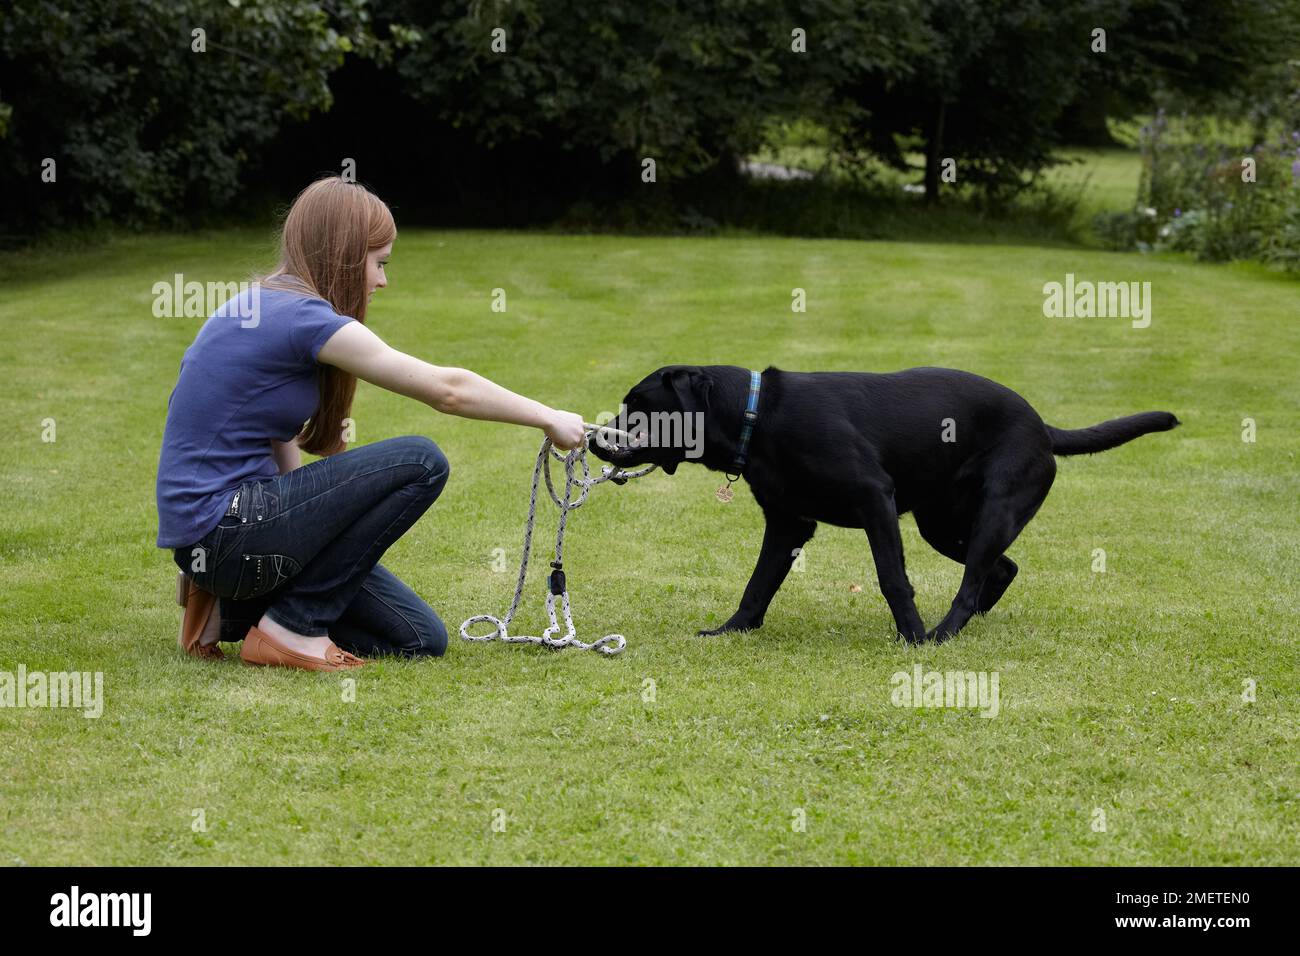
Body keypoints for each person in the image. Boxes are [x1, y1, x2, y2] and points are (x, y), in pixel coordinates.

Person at [156, 176, 586, 671]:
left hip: (226, 535)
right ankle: (293, 627)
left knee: (419, 638)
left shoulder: (266, 304)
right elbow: (447, 390)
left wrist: (302, 518)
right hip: (228, 527)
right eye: (378, 263)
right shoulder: (300, 317)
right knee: (421, 462)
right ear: (341, 254)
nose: (383, 281)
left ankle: (228, 608)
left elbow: (273, 430)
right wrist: (548, 417)